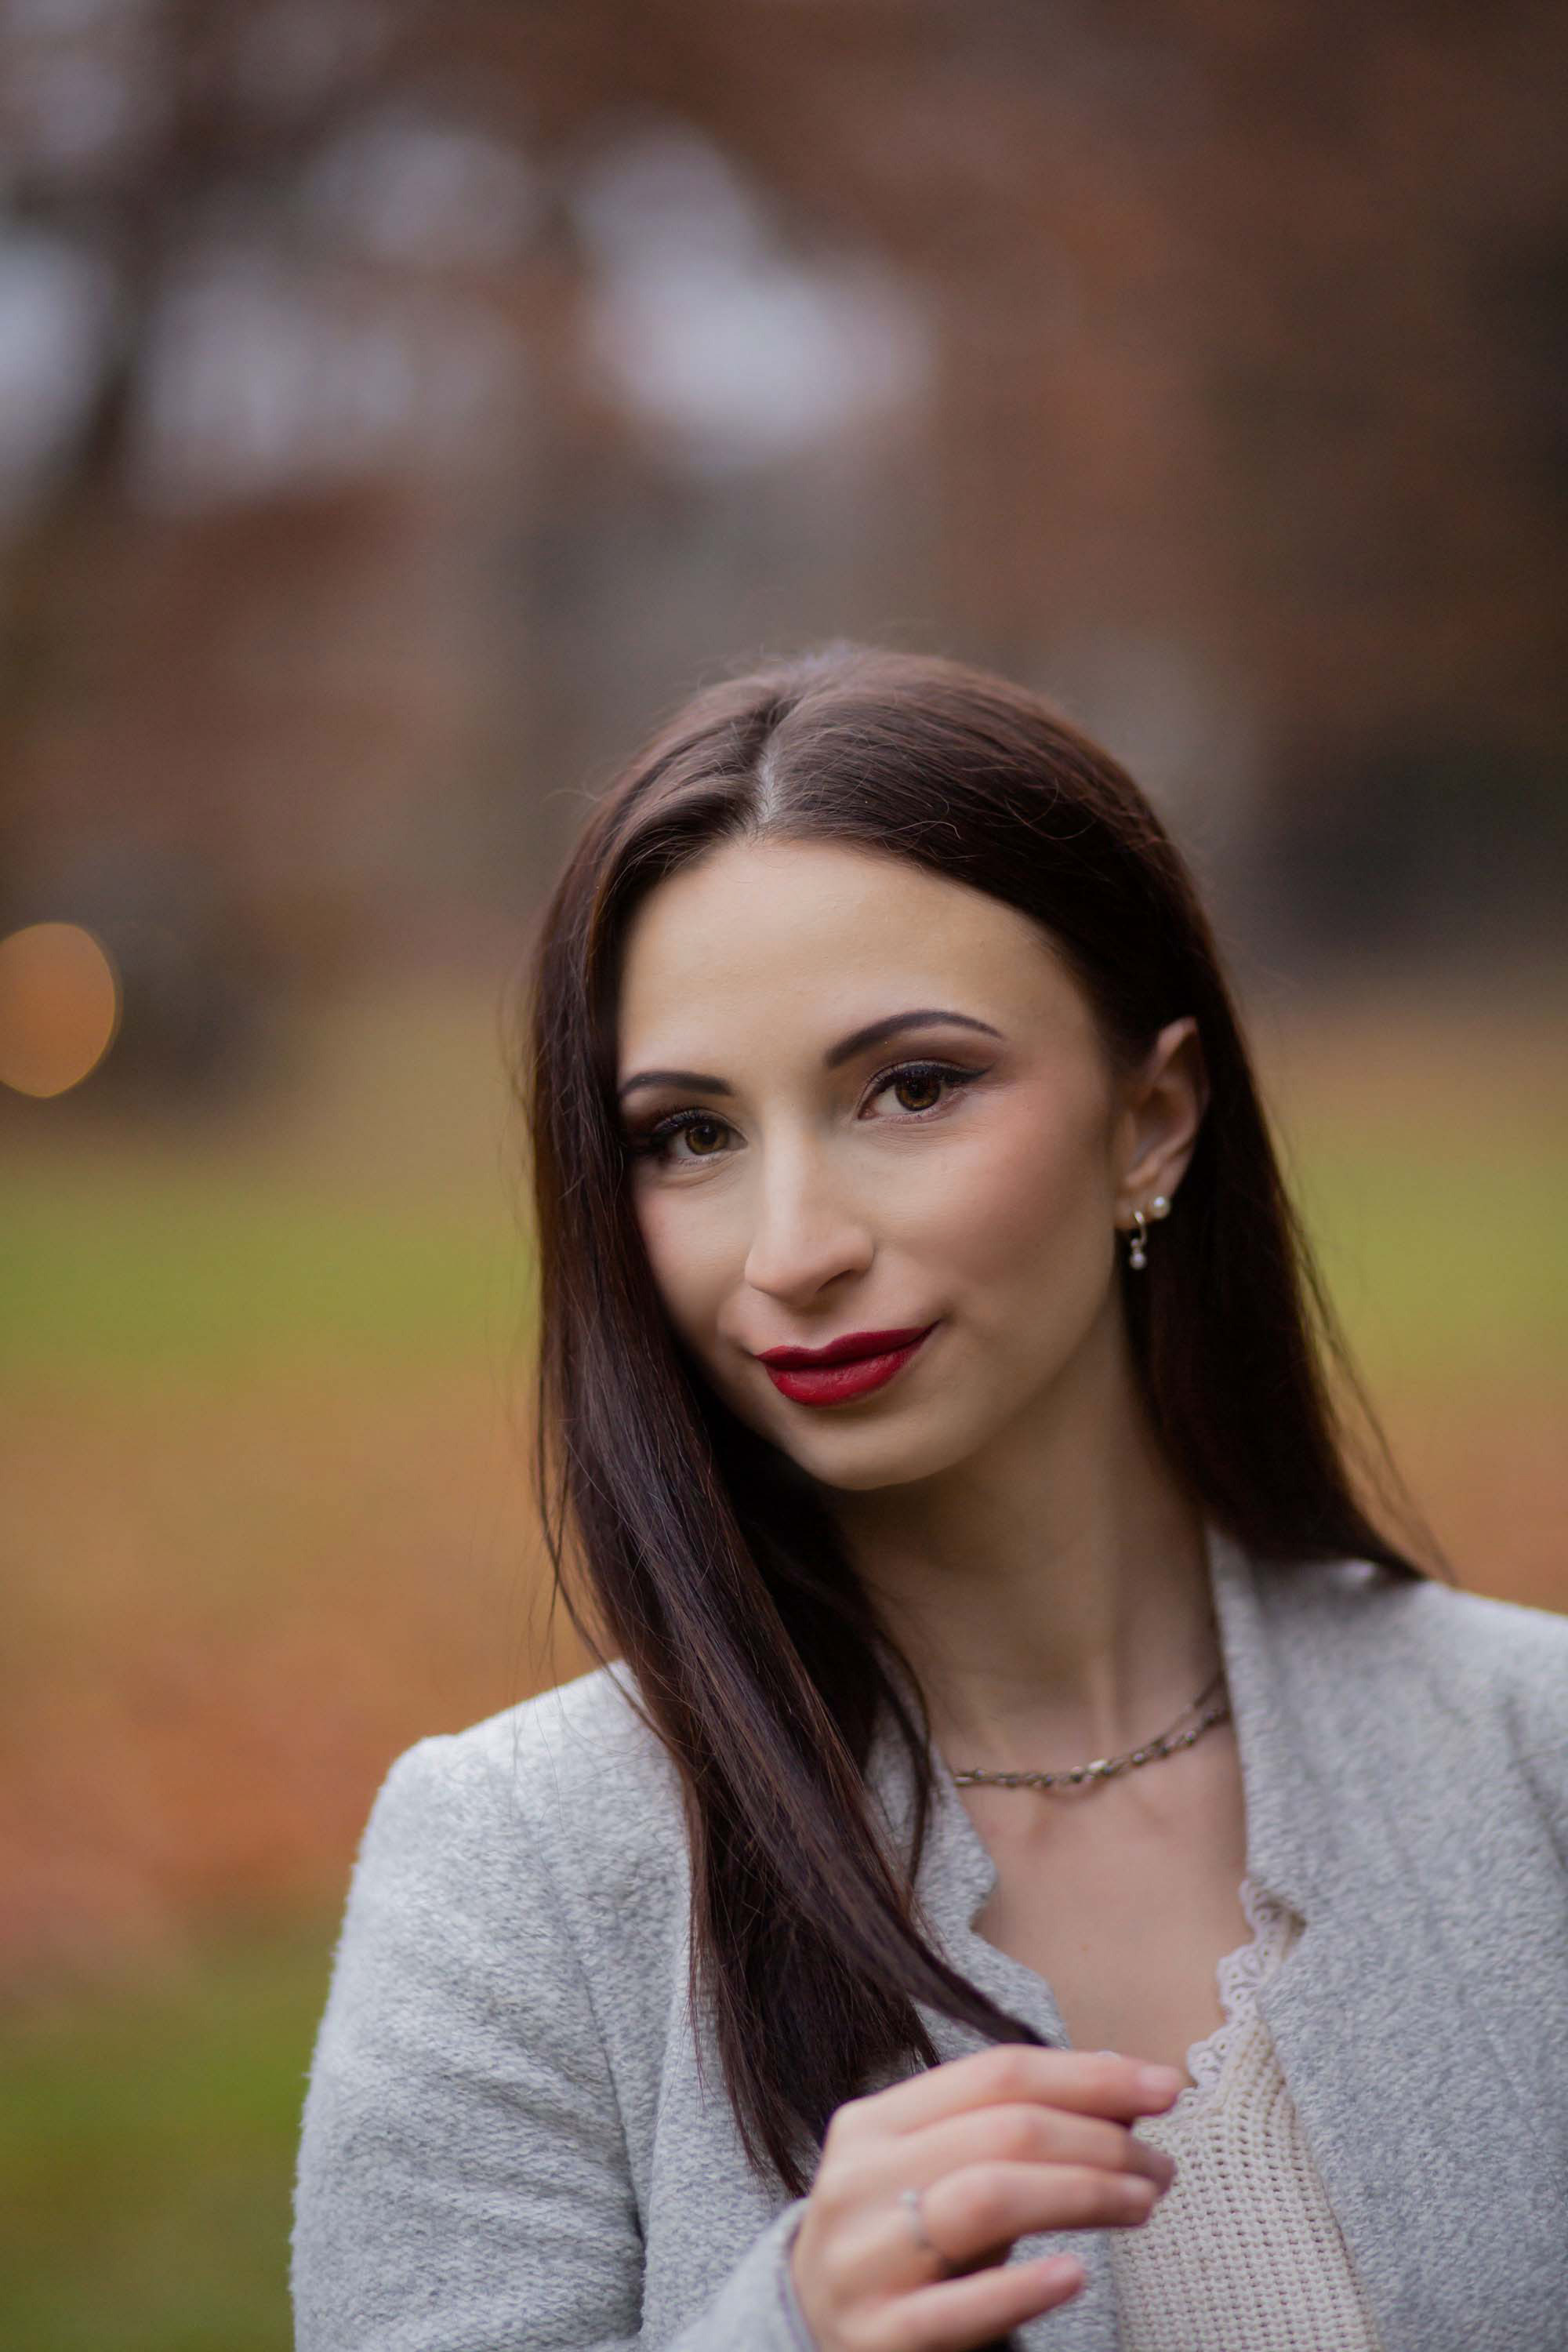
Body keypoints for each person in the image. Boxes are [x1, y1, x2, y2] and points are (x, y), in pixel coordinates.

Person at [290, 644, 1568, 2352]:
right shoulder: (516, 1870)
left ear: (1155, 1117)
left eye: (912, 1087)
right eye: (688, 1136)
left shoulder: (1531, 1756)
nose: (795, 1248)